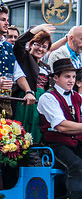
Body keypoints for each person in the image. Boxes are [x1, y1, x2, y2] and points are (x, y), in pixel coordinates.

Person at [37, 58, 82, 199]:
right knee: (76, 165)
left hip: (75, 142)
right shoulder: (48, 98)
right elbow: (61, 126)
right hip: (54, 144)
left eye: (73, 77)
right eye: (67, 76)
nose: (71, 80)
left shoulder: (78, 97)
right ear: (56, 78)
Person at [0, 6, 35, 118]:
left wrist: (28, 92)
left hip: (6, 99)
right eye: (2, 20)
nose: (7, 23)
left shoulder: (9, 47)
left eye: (7, 20)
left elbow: (18, 74)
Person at [13, 24, 55, 143]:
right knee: (23, 129)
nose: (40, 49)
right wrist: (39, 28)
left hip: (42, 102)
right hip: (26, 99)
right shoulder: (24, 57)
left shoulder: (46, 67)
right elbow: (19, 42)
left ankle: (36, 153)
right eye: (37, 44)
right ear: (31, 45)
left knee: (39, 129)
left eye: (44, 47)